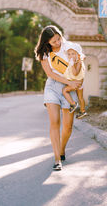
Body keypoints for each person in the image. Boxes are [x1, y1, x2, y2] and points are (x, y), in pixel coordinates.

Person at [35, 25, 81, 171]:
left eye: (58, 39)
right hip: (53, 87)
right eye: (53, 41)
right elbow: (51, 74)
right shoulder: (44, 53)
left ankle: (62, 149)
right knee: (55, 121)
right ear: (47, 42)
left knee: (68, 127)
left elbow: (79, 63)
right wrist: (69, 82)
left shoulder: (69, 47)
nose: (57, 43)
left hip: (70, 88)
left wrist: (77, 78)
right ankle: (57, 159)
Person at [62, 42, 88, 119]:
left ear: (77, 55)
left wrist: (72, 65)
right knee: (80, 97)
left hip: (76, 83)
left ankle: (73, 104)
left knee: (64, 91)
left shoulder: (78, 63)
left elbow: (75, 73)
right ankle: (82, 111)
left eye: (73, 54)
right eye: (69, 54)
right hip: (79, 83)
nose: (71, 56)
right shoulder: (77, 61)